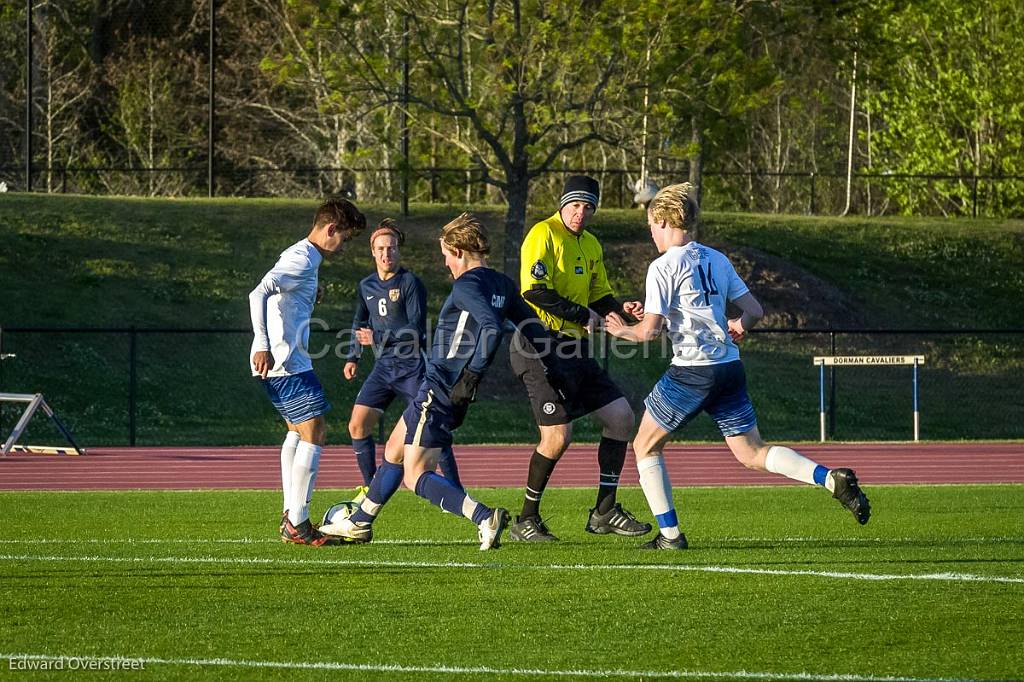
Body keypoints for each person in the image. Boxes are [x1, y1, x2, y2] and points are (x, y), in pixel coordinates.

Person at [604, 182, 871, 549]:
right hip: (728, 366)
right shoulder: (716, 258)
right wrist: (737, 326)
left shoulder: (662, 266)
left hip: (692, 371)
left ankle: (670, 536)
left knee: (644, 447)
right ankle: (830, 479)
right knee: (753, 453)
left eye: (651, 225)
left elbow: (648, 333)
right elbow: (754, 311)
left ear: (663, 219)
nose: (650, 233)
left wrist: (622, 330)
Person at [323, 213, 564, 550]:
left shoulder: (467, 284)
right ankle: (360, 522)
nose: (446, 264)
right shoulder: (502, 284)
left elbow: (491, 327)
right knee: (393, 449)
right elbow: (534, 328)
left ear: (460, 250)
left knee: (415, 475)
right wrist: (556, 366)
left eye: (447, 255)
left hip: (441, 386)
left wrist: (471, 375)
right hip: (448, 387)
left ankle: (483, 516)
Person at [508, 174, 652, 542]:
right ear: (562, 204)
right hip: (538, 347)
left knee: (621, 418)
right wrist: (583, 315)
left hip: (574, 348)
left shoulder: (590, 244)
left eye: (588, 207)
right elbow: (533, 291)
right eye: (575, 205)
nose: (581, 213)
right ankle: (526, 518)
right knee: (557, 436)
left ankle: (604, 511)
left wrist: (623, 310)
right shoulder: (543, 233)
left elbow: (599, 295)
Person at [249, 197, 366, 546]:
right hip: (286, 361)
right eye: (343, 238)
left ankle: (291, 516)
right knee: (315, 432)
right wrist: (262, 343)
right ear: (330, 229)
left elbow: (280, 294)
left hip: (286, 360)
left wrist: (308, 294)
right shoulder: (301, 259)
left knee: (298, 434)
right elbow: (259, 293)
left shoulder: (302, 257)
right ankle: (298, 523)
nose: (343, 246)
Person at [343, 219, 461, 494]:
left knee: (431, 430)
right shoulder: (366, 286)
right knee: (357, 425)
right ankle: (371, 489)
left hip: (412, 368)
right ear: (373, 252)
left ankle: (457, 489)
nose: (387, 254)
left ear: (399, 251)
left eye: (392, 248)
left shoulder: (410, 283)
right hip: (383, 369)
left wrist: (379, 338)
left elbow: (416, 331)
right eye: (381, 249)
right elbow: (359, 322)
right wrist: (353, 356)